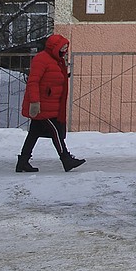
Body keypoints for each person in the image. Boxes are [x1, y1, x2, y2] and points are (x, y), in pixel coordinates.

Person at [17, 33, 86, 173]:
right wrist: (35, 102)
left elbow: (52, 78)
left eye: (66, 46)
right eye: (63, 46)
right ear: (54, 47)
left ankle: (23, 162)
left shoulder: (57, 60)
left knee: (34, 133)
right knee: (55, 132)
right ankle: (66, 159)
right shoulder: (41, 59)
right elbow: (33, 81)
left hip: (51, 103)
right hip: (43, 105)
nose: (65, 49)